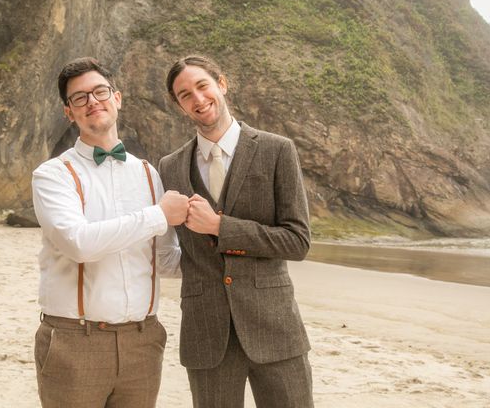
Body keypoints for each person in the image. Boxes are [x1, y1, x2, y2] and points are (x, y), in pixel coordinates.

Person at [158, 55, 314, 407]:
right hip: (205, 331)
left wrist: (220, 227)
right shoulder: (169, 168)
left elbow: (298, 241)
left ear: (221, 84)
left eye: (203, 86)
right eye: (185, 95)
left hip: (275, 327)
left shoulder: (277, 150)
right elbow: (165, 249)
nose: (198, 99)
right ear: (179, 105)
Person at [31, 57, 187, 408]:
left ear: (117, 98)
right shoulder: (52, 175)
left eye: (100, 92)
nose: (92, 102)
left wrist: (226, 245)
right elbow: (79, 243)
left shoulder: (149, 174)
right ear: (69, 112)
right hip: (75, 340)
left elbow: (163, 260)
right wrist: (159, 214)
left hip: (143, 341)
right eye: (80, 98)